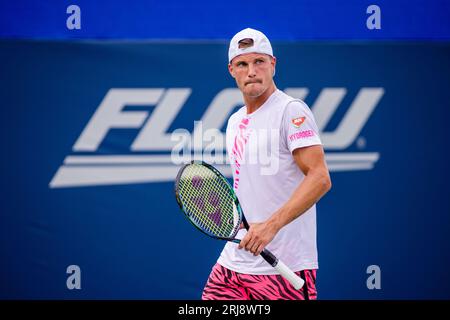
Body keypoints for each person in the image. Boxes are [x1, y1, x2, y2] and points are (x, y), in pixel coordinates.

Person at [202, 28, 332, 300]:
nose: (252, 71)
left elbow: (320, 178)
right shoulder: (235, 120)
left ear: (273, 64)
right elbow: (247, 185)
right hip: (233, 264)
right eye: (242, 64)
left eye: (259, 61)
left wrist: (270, 226)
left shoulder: (291, 110)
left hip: (285, 267)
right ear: (231, 70)